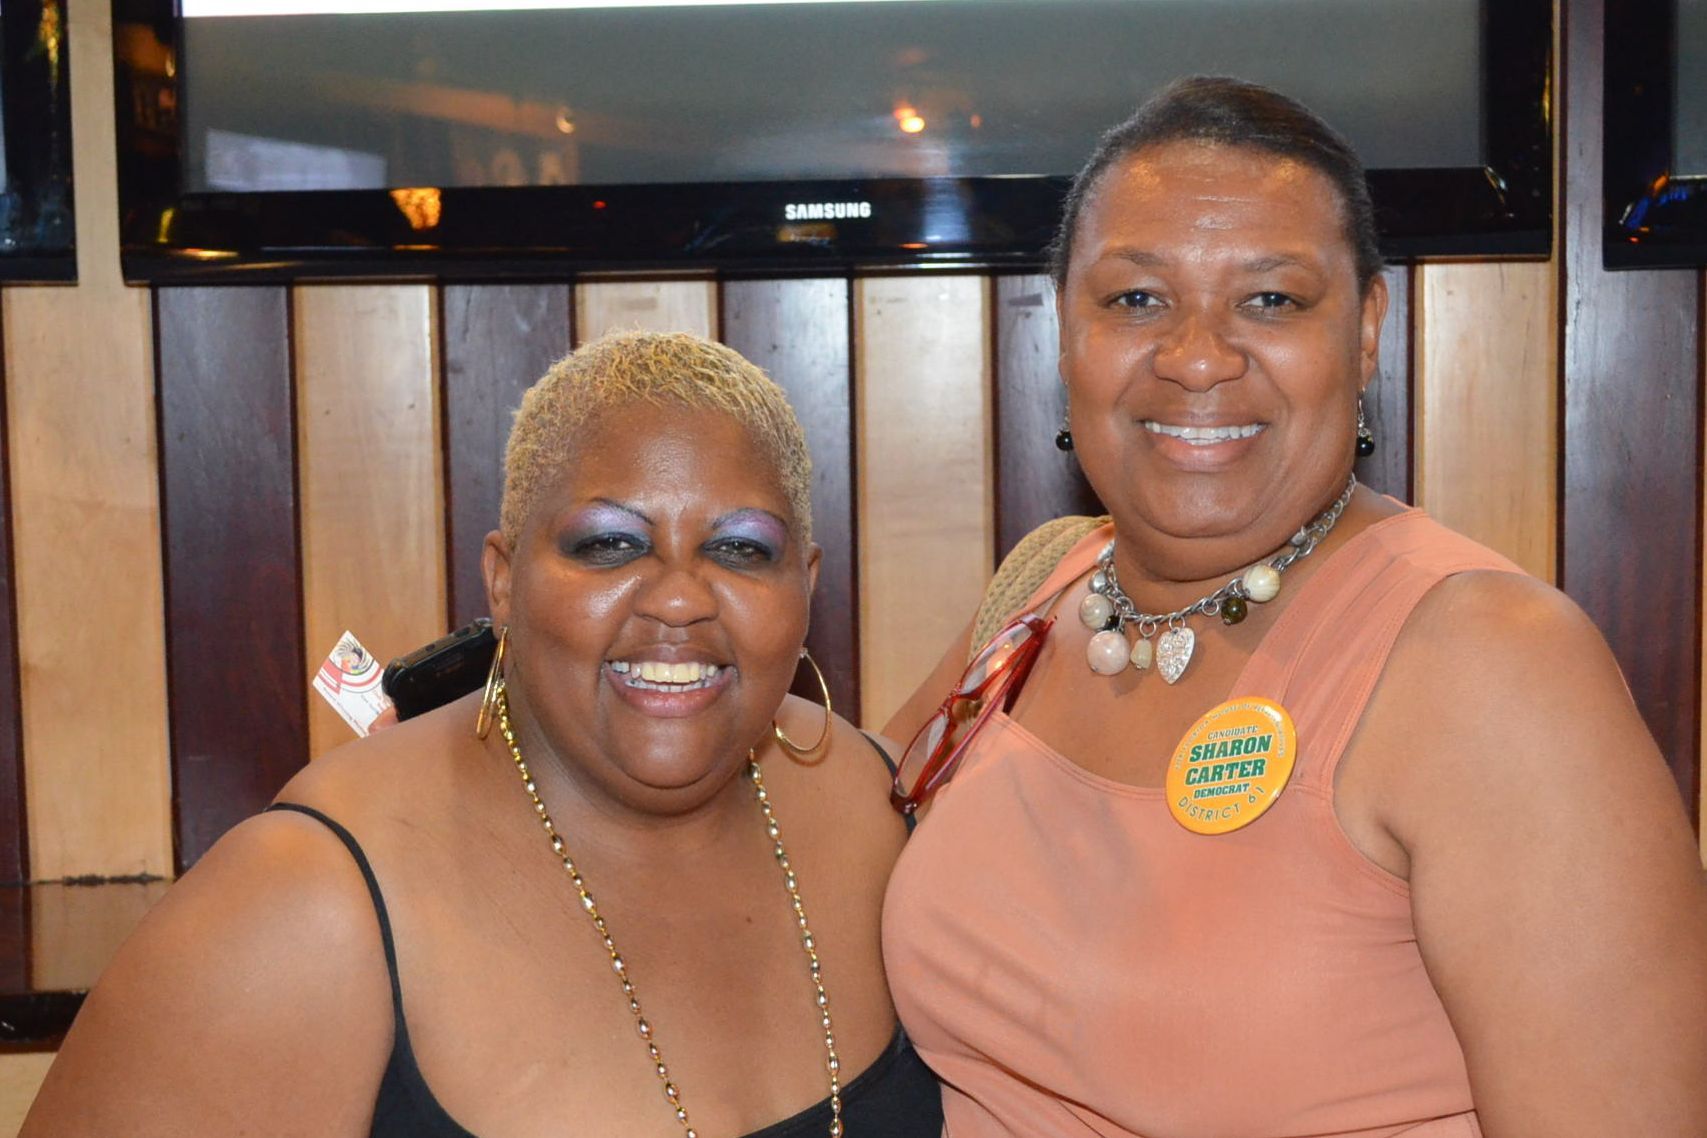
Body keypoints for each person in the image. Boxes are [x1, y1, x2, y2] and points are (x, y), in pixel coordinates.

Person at [881, 77, 1707, 1137]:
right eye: (1134, 299)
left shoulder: (1493, 666)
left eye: (1270, 300)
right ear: (1064, 327)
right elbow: (824, 841)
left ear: (1365, 332)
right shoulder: (1046, 585)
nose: (1196, 357)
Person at [23, 331, 943, 1137]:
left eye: (741, 548)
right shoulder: (298, 909)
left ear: (804, 587)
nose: (677, 598)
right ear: (503, 583)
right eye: (609, 544)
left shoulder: (882, 808)